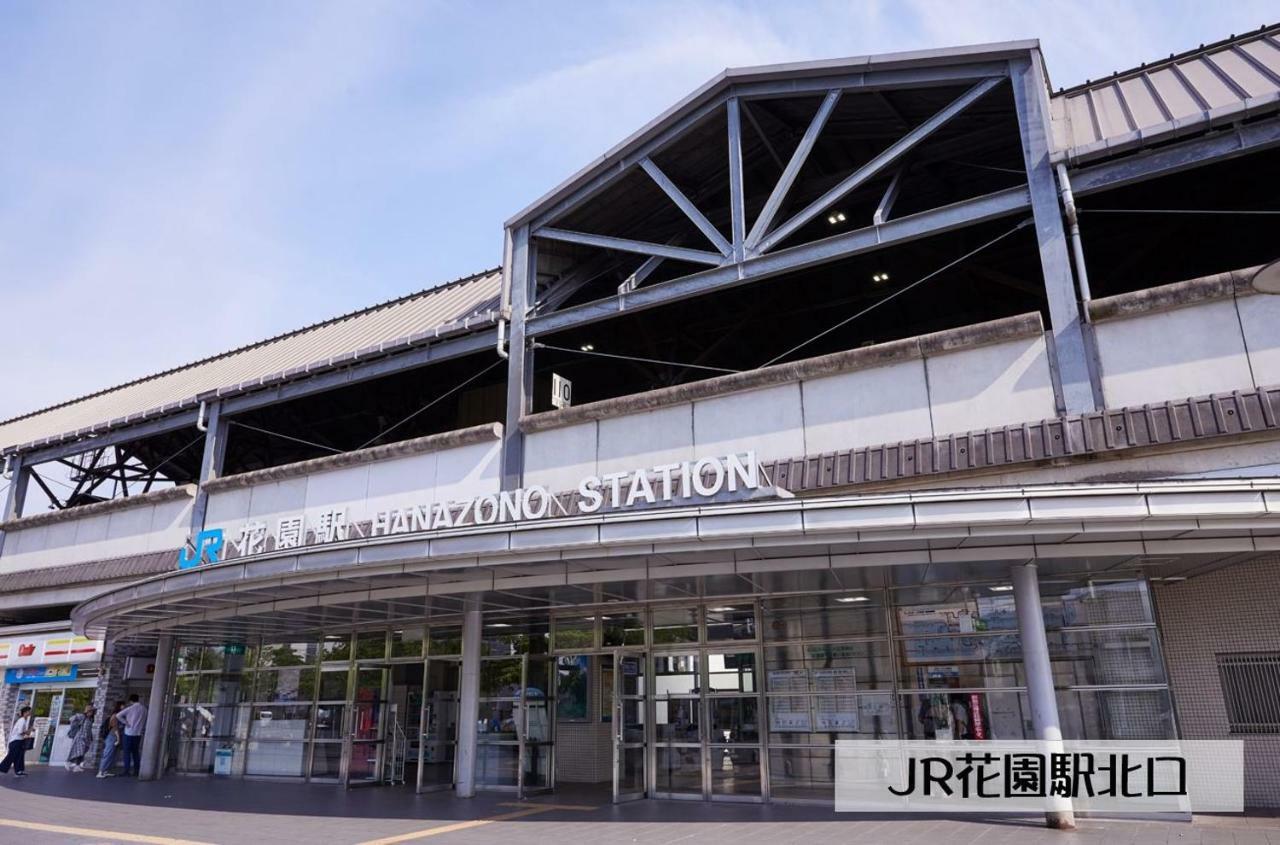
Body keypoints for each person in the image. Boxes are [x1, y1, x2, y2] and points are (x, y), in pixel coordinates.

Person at [117, 694, 148, 777]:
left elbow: (118, 715)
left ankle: (126, 770)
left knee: (126, 752)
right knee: (135, 752)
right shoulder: (144, 709)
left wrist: (126, 723)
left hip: (129, 733)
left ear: (131, 701)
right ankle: (136, 770)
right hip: (138, 733)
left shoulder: (130, 708)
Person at [0, 706, 33, 777]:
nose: (30, 713)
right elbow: (20, 732)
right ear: (25, 712)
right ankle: (2, 768)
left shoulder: (23, 720)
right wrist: (29, 730)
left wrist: (29, 731)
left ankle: (19, 771)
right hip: (16, 742)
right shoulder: (22, 720)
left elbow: (23, 732)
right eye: (29, 711)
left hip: (19, 741)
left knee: (19, 756)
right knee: (11, 757)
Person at [96, 701, 126, 779]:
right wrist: (118, 738)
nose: (124, 707)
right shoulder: (115, 715)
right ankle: (101, 772)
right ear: (119, 706)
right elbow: (115, 727)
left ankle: (105, 771)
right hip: (112, 736)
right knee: (108, 753)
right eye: (123, 705)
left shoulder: (120, 715)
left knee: (112, 754)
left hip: (115, 736)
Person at [64, 704, 96, 772]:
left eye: (92, 712)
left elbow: (89, 730)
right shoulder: (82, 716)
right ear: (87, 711)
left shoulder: (90, 719)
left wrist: (91, 738)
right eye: (91, 712)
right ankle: (68, 761)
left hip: (86, 738)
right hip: (80, 737)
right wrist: (74, 724)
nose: (91, 713)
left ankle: (77, 766)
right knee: (78, 752)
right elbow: (71, 718)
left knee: (82, 753)